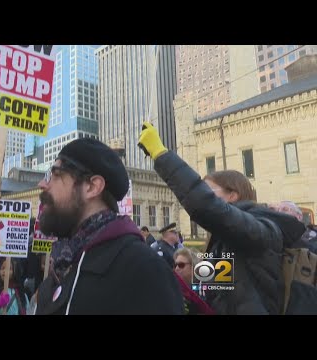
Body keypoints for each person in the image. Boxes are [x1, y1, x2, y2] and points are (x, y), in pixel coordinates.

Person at [138, 121, 306, 315]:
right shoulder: (224, 239)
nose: (205, 195)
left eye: (208, 190)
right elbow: (212, 291)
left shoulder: (261, 228)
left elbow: (205, 205)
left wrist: (161, 154)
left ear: (232, 195)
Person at [34, 138, 184, 315]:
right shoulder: (61, 266)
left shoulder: (143, 269)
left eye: (56, 175)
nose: (42, 184)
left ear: (92, 187)